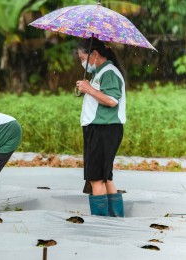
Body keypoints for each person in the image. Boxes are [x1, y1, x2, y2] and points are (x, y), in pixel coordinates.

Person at [75, 37, 125, 217]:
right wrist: (88, 89)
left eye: (83, 59)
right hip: (99, 128)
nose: (83, 63)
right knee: (106, 177)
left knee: (96, 178)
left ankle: (100, 223)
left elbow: (112, 100)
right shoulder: (100, 72)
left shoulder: (109, 72)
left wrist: (90, 90)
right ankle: (115, 217)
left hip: (104, 129)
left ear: (94, 54)